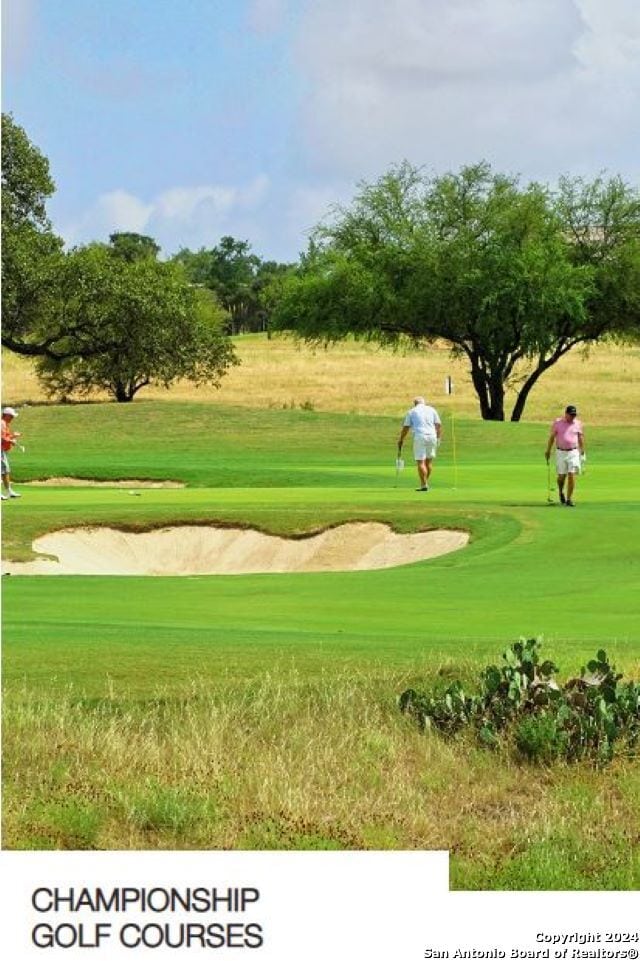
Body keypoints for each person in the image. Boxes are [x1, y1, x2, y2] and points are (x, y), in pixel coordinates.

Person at [398, 396, 442, 492]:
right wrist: (438, 438)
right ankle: (425, 483)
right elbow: (438, 425)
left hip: (420, 436)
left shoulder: (412, 411)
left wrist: (401, 439)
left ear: (415, 403)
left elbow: (406, 427)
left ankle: (424, 484)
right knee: (429, 461)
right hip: (432, 436)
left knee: (420, 461)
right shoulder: (432, 410)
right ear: (424, 402)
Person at [545, 404, 585, 507]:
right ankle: (560, 491)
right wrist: (548, 451)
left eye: (574, 415)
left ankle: (569, 499)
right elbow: (552, 437)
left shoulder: (578, 424)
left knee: (571, 474)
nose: (573, 417)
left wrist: (582, 452)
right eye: (571, 415)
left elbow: (580, 438)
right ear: (566, 414)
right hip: (561, 452)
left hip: (573, 452)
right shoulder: (558, 423)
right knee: (561, 477)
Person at [1, 406, 22, 500]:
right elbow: (1, 437)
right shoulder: (1, 423)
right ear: (6, 415)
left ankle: (9, 491)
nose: (12, 418)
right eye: (11, 416)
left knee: (5, 471)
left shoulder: (5, 423)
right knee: (3, 471)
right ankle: (8, 491)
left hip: (2, 451)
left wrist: (13, 437)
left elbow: (6, 436)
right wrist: (11, 440)